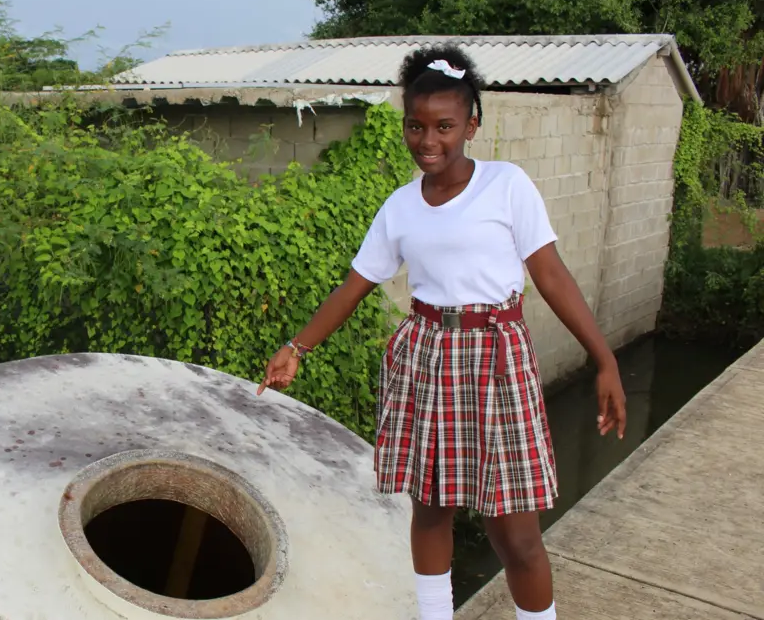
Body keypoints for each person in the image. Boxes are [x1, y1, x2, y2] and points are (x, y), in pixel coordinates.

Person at [256, 44, 628, 620]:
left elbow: (551, 275)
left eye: (445, 126)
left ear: (471, 125)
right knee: (429, 512)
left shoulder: (506, 185)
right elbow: (355, 285)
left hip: (497, 358)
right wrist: (296, 347)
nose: (428, 140)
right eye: (416, 126)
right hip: (426, 357)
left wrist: (604, 359)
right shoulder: (400, 208)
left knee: (516, 533)